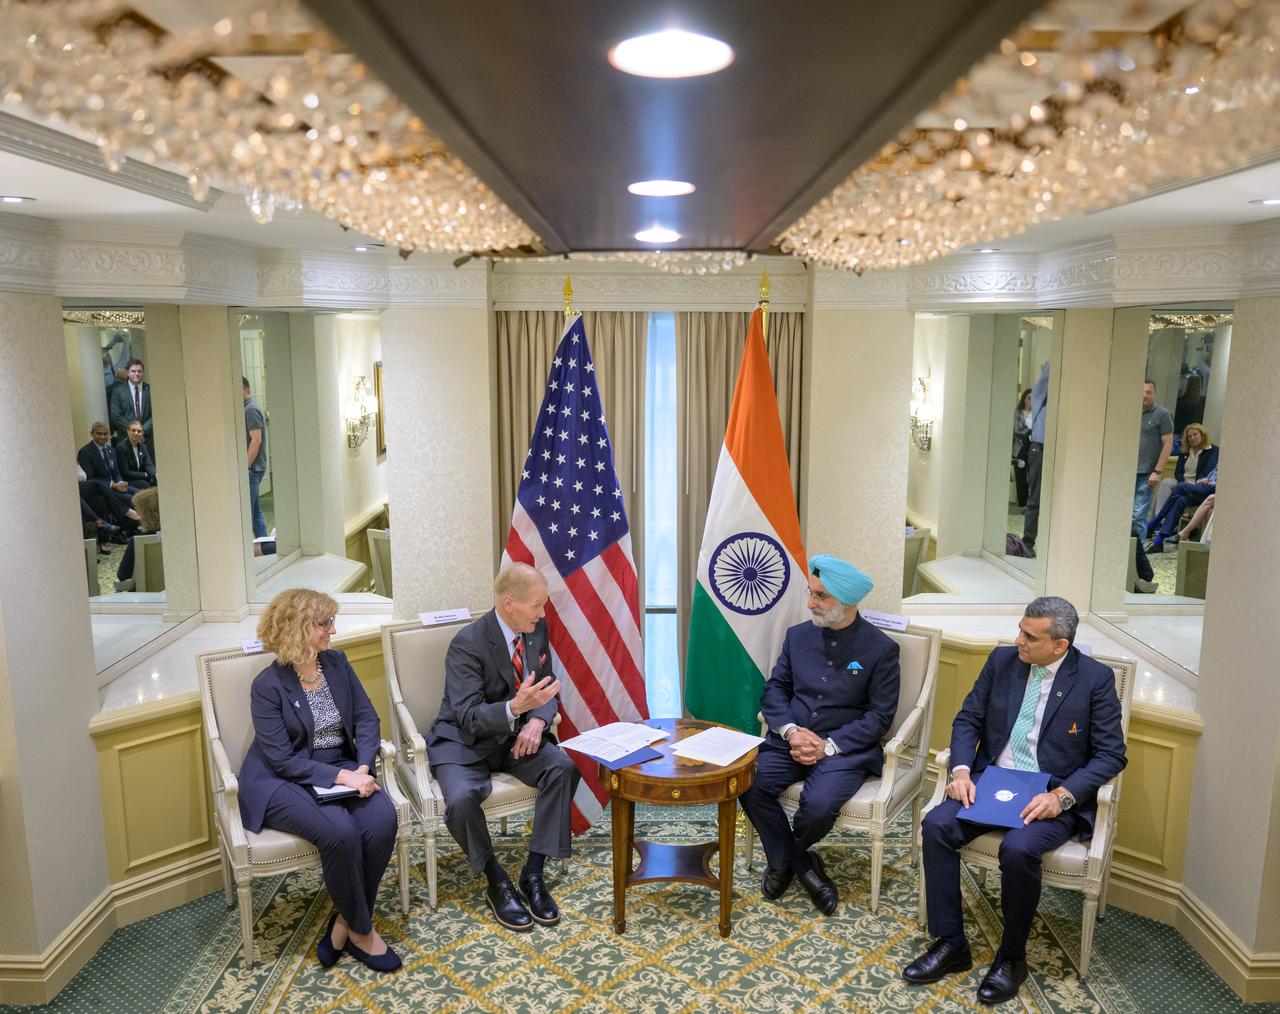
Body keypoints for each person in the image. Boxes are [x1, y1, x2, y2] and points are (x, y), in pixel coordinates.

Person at [903, 596, 1126, 1006]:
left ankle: (1011, 958)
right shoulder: (1002, 661)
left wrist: (1062, 797)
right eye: (1020, 630)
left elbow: (1111, 755)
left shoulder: (1094, 679)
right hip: (991, 781)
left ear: (1060, 645)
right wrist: (961, 771)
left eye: (1030, 636)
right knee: (936, 825)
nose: (1018, 640)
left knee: (1019, 849)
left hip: (1049, 794)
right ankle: (951, 942)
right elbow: (968, 718)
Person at [237, 589, 401, 971]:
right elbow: (282, 759)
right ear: (297, 628)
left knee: (382, 820)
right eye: (324, 623)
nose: (332, 630)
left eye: (331, 622)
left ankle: (344, 922)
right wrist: (343, 776)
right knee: (341, 833)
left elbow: (366, 718)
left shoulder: (337, 663)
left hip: (344, 769)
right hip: (282, 779)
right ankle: (362, 933)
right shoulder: (268, 686)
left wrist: (362, 769)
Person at [740, 555, 900, 916]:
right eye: (810, 593)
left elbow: (880, 716)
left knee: (817, 808)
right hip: (790, 741)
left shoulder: (881, 649)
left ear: (846, 601)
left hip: (844, 751)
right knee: (749, 782)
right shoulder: (797, 636)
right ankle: (802, 866)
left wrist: (828, 746)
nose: (811, 603)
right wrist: (791, 731)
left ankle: (785, 862)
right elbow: (775, 689)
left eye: (820, 596)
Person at [427, 562, 579, 932]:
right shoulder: (467, 644)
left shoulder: (535, 630)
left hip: (513, 739)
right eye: (536, 605)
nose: (542, 613)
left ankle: (533, 873)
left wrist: (538, 720)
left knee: (562, 768)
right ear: (509, 603)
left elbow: (546, 686)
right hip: (463, 743)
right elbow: (468, 716)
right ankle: (496, 880)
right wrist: (514, 709)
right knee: (461, 800)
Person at [1146, 463, 1218, 553]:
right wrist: (1204, 479)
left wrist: (1208, 482)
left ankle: (1155, 521)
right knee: (1180, 500)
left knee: (1180, 487)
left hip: (1212, 489)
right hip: (1203, 487)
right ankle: (1159, 541)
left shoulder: (1219, 456)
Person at [1133, 379, 1174, 525]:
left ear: (1154, 394)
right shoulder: (1131, 413)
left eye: (1148, 392)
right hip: (1127, 471)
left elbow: (1168, 444)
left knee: (1138, 516)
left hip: (1147, 473)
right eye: (1142, 392)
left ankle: (1138, 541)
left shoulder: (1163, 415)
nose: (1144, 395)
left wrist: (1157, 471)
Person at [1022, 363, 1050, 555]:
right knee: (1035, 499)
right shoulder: (1040, 393)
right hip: (1039, 450)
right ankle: (1028, 543)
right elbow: (1048, 372)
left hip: (1058, 450)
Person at [77, 422, 143, 497]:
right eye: (99, 434)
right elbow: (90, 478)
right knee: (131, 498)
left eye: (105, 434)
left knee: (142, 494)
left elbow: (116, 472)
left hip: (116, 486)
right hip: (102, 489)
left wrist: (120, 482)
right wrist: (111, 484)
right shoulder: (85, 452)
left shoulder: (111, 450)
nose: (102, 437)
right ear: (92, 434)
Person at [115, 487, 160, 590]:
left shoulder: (137, 541)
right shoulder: (177, 537)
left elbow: (123, 575)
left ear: (146, 514)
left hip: (144, 594)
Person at [243, 377, 268, 538]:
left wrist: (244, 466)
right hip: (253, 468)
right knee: (255, 511)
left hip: (253, 469)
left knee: (246, 513)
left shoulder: (250, 409)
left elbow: (256, 439)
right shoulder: (248, 408)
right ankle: (265, 545)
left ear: (246, 390)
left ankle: (251, 548)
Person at [108, 358, 152, 449]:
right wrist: (134, 432)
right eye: (133, 371)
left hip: (147, 439)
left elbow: (155, 414)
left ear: (143, 373)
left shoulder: (150, 390)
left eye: (139, 371)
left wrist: (143, 430)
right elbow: (116, 416)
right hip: (125, 440)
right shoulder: (118, 391)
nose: (137, 374)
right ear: (127, 373)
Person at [115, 420, 156, 488]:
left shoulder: (143, 447)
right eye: (133, 430)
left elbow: (148, 465)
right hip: (129, 480)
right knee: (146, 485)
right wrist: (145, 475)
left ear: (142, 433)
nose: (136, 433)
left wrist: (155, 474)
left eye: (139, 431)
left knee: (158, 481)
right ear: (128, 432)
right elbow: (125, 472)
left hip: (142, 478)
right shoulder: (121, 448)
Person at [1012, 388, 1032, 508]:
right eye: (1029, 398)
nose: (1031, 401)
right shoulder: (1018, 412)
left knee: (1031, 477)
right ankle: (1022, 503)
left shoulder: (1036, 413)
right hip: (1019, 448)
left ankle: (1030, 503)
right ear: (1024, 399)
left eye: (1033, 398)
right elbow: (1016, 430)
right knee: (1020, 477)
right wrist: (1029, 432)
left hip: (1032, 448)